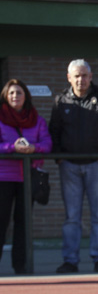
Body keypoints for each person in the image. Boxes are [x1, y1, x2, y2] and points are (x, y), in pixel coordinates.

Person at [49, 59, 98, 274]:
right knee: (71, 217)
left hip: (96, 167)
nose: (81, 79)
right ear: (69, 77)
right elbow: (53, 130)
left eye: (84, 75)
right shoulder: (61, 101)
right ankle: (70, 260)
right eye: (76, 76)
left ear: (91, 77)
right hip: (69, 167)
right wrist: (59, 157)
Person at [0, 79, 52, 275]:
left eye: (19, 93)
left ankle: (21, 266)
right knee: (1, 222)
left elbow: (47, 144)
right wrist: (12, 147)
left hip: (26, 178)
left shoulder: (36, 120)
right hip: (3, 178)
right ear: (6, 96)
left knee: (23, 224)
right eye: (11, 93)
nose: (15, 96)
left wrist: (33, 148)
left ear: (25, 96)